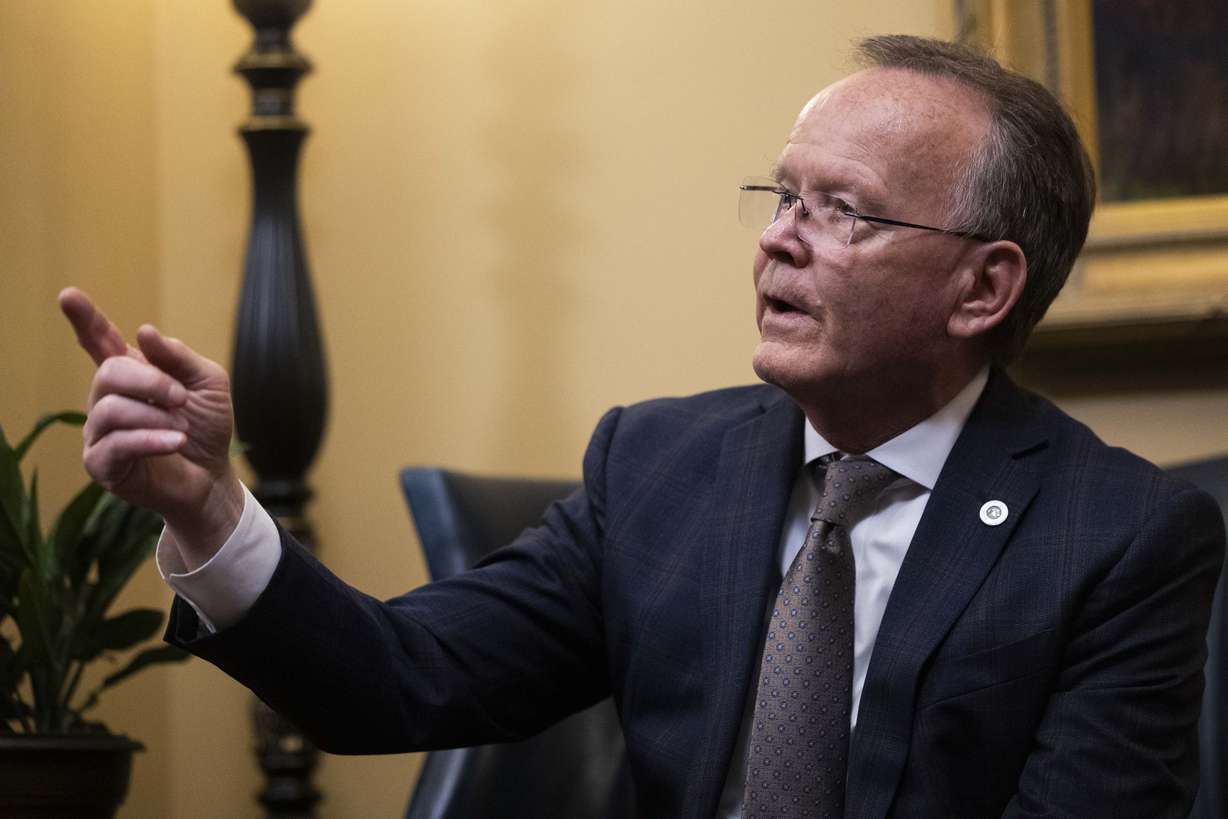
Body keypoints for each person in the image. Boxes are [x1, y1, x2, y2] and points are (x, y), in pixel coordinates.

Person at [60, 35, 1223, 819]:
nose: (778, 239)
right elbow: (396, 681)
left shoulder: (1121, 536)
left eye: (846, 212)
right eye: (782, 198)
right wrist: (210, 507)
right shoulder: (659, 464)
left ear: (982, 289)